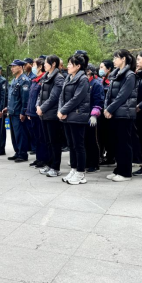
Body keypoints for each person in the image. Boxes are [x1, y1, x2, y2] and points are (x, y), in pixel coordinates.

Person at [104, 49, 138, 182]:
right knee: (116, 143)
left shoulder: (130, 75)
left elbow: (122, 96)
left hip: (125, 114)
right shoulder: (116, 74)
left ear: (123, 59)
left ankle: (126, 172)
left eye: (116, 58)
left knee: (124, 143)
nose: (113, 60)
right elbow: (109, 94)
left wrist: (109, 109)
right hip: (115, 113)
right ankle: (118, 169)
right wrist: (106, 108)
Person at [58, 54, 91, 185]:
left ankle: (81, 172)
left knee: (79, 145)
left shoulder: (83, 79)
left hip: (77, 115)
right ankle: (74, 169)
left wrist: (63, 110)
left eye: (70, 64)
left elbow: (77, 98)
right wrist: (61, 110)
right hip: (68, 115)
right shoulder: (69, 77)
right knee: (71, 145)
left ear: (78, 66)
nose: (68, 66)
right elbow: (62, 96)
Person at [37, 55, 65, 178]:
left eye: (46, 63)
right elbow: (40, 95)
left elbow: (54, 97)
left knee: (55, 142)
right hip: (44, 114)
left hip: (52, 114)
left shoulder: (58, 78)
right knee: (48, 141)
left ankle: (55, 167)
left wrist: (42, 108)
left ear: (53, 64)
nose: (44, 65)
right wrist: (38, 106)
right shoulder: (46, 76)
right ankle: (49, 164)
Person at [2, 60, 32, 163]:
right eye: (11, 67)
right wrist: (8, 107)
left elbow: (25, 99)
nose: (12, 69)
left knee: (20, 134)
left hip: (18, 112)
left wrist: (23, 112)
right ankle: (17, 152)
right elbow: (12, 97)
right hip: (12, 111)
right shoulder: (14, 80)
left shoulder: (24, 80)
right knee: (14, 134)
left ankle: (23, 154)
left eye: (14, 66)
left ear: (20, 67)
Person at [25, 58, 49, 168]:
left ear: (40, 67)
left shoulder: (43, 79)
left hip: (39, 113)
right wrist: (29, 111)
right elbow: (31, 97)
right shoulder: (35, 80)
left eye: (34, 65)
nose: (32, 67)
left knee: (41, 137)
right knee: (36, 137)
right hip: (33, 113)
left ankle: (43, 159)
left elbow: (41, 98)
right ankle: (38, 158)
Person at [85, 64, 105, 173]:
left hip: (93, 116)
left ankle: (95, 163)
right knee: (85, 140)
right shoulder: (85, 83)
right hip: (84, 115)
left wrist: (94, 114)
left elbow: (99, 100)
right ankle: (87, 162)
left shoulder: (96, 84)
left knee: (93, 140)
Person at [98, 60, 115, 166]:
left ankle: (111, 157)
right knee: (102, 136)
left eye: (102, 67)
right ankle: (103, 156)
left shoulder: (112, 81)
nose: (100, 69)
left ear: (109, 69)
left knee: (110, 136)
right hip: (101, 112)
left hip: (109, 112)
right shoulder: (101, 81)